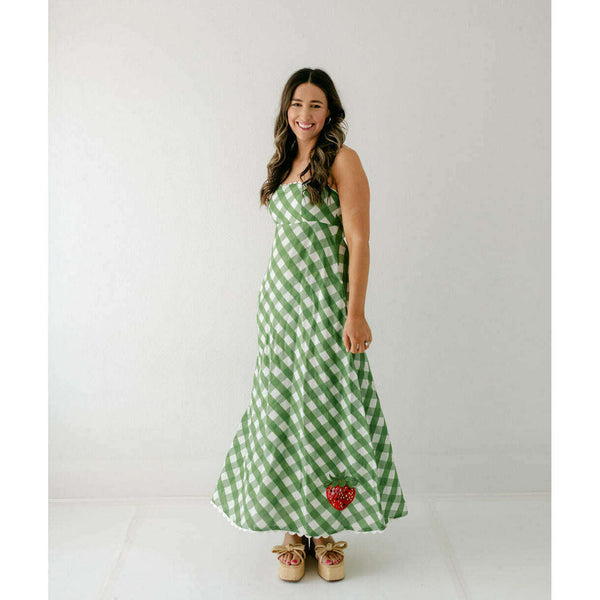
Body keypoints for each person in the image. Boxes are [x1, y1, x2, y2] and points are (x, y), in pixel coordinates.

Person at [210, 68, 408, 582]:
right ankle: (293, 529)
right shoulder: (284, 163)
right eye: (297, 104)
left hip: (326, 305)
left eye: (316, 105)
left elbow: (359, 241)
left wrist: (356, 311)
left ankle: (324, 529)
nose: (305, 114)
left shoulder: (343, 159)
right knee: (282, 407)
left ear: (330, 111)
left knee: (324, 406)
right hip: (280, 308)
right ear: (287, 109)